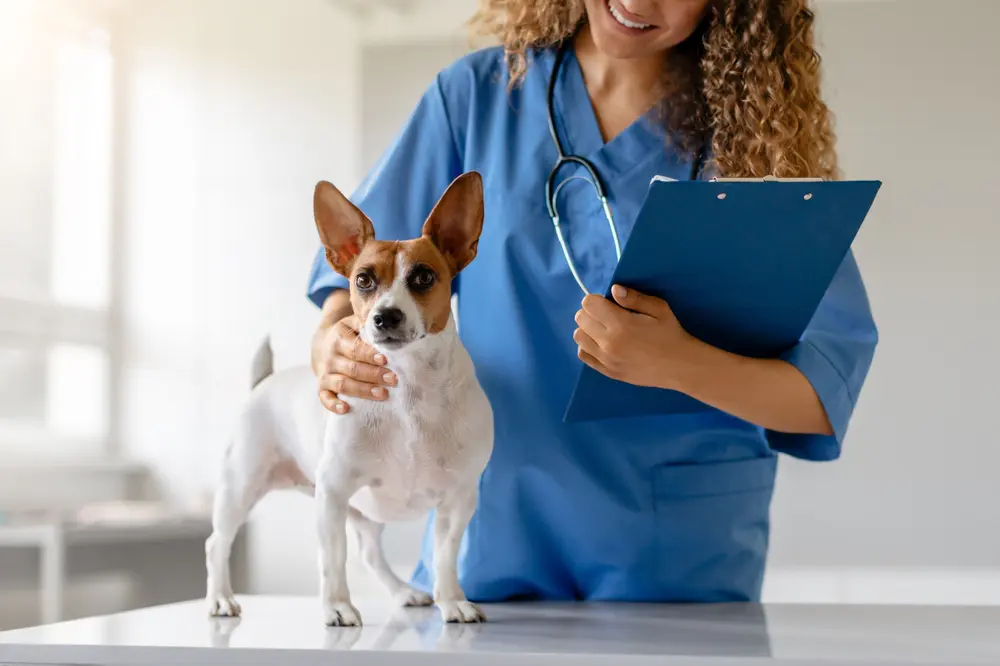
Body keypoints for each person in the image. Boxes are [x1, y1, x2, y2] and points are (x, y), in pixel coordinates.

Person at [306, 0, 878, 603]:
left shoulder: (754, 144)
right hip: (488, 533)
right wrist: (329, 346)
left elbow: (822, 393)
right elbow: (360, 282)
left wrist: (677, 363)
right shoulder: (474, 99)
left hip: (672, 551)